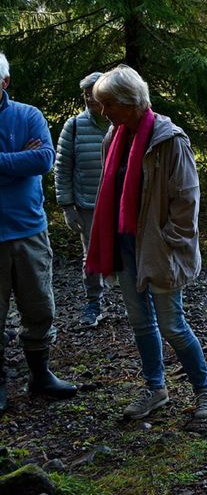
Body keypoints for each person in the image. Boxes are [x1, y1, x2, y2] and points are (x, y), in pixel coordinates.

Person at [86, 65, 207, 422]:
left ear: (129, 103)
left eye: (108, 104)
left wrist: (169, 241)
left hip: (158, 248)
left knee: (172, 324)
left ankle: (205, 391)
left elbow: (187, 199)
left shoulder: (169, 139)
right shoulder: (112, 138)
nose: (103, 111)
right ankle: (155, 388)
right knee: (140, 323)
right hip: (124, 244)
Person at [0, 51, 77, 414]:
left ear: (5, 82)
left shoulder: (28, 115)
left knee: (40, 307)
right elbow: (28, 162)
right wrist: (18, 161)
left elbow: (43, 160)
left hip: (30, 231)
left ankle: (40, 375)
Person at [54, 71, 108, 328]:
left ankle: (136, 303)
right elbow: (62, 168)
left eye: (93, 93)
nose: (88, 98)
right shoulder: (73, 126)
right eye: (85, 94)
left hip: (121, 204)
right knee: (91, 256)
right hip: (87, 204)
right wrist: (67, 206)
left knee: (129, 252)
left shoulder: (121, 123)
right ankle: (93, 303)